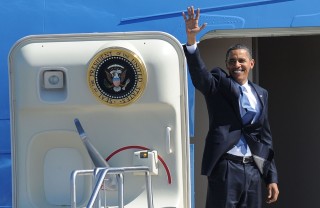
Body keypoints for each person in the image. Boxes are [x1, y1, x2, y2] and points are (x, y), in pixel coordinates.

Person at [182, 6, 279, 208]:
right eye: (232, 61)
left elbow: (265, 138)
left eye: (241, 60)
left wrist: (271, 177)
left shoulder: (261, 93)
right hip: (226, 167)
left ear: (251, 63)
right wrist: (191, 43)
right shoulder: (219, 85)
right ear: (227, 65)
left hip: (253, 169)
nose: (237, 65)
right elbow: (201, 78)